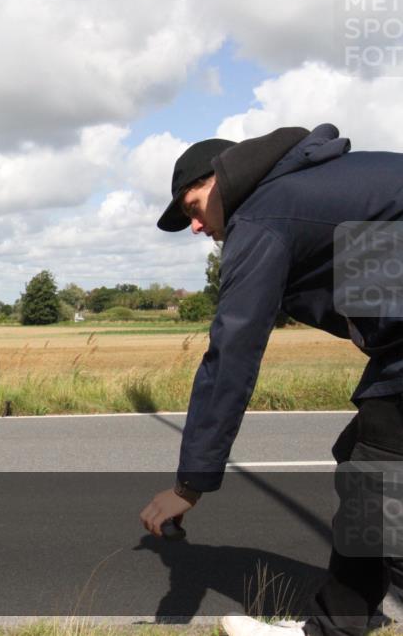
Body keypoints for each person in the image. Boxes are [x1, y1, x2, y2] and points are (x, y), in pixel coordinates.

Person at [138, 123, 403, 636]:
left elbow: (232, 351)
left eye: (192, 209)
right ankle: (342, 621)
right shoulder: (309, 186)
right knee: (363, 463)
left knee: (380, 488)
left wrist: (190, 485)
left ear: (219, 179)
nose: (195, 227)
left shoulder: (264, 214)